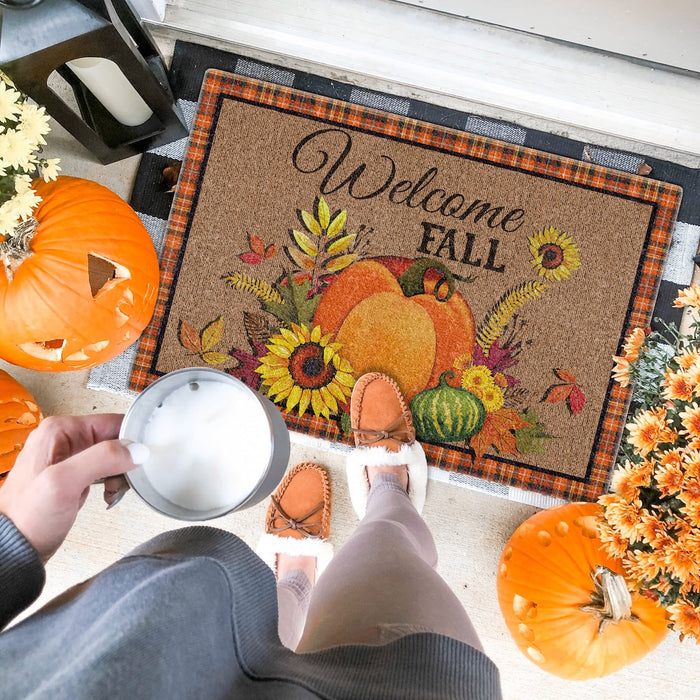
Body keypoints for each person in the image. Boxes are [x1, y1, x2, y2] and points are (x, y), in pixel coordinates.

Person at [0, 373, 501, 699]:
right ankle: (390, 501)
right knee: (392, 555)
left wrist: (14, 544)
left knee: (259, 613)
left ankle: (293, 580)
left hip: (161, 639)